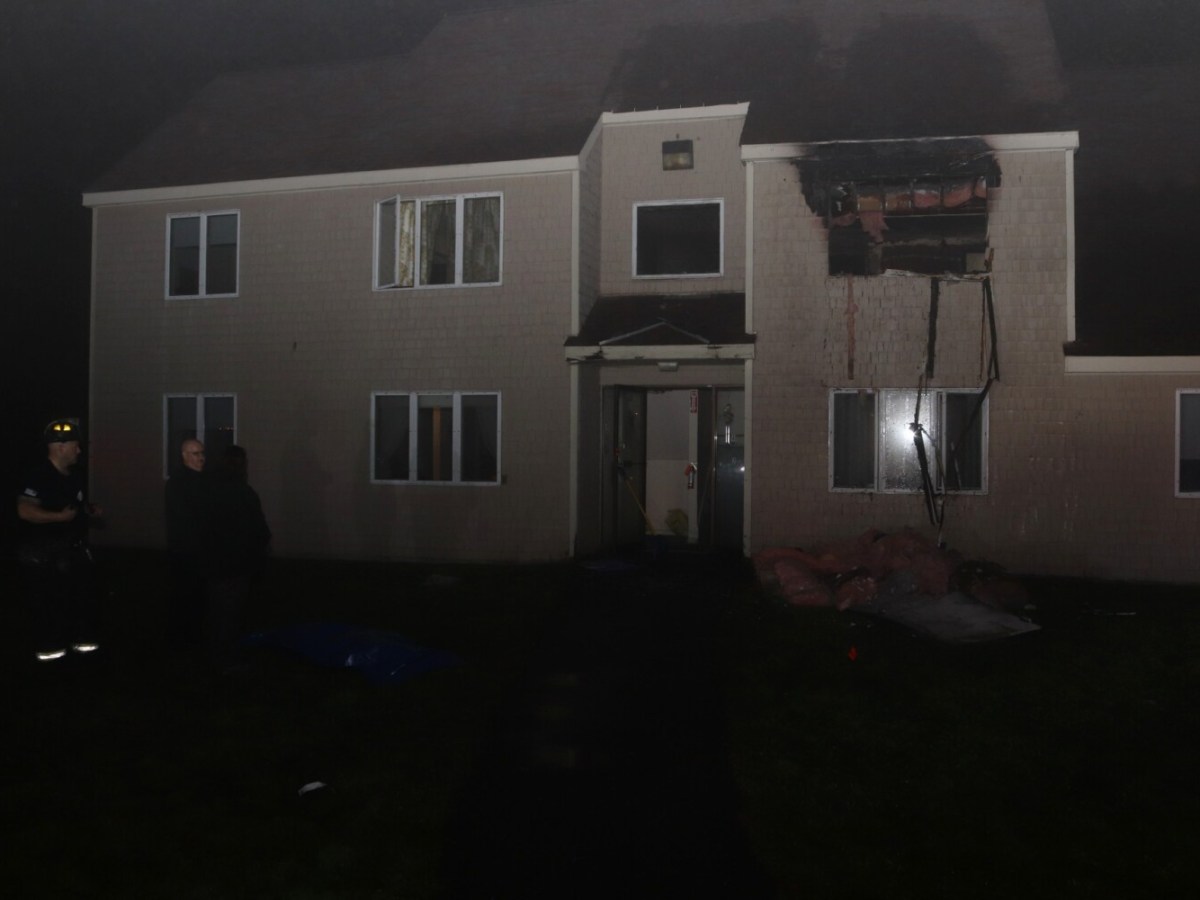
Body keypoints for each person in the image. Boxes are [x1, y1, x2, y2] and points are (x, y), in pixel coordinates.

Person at [15, 418, 103, 663]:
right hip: (44, 556)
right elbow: (25, 510)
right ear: (60, 447)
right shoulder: (39, 475)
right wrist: (59, 517)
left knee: (80, 601)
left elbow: (73, 505)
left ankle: (81, 648)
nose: (79, 450)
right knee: (49, 605)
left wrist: (88, 509)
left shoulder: (74, 476)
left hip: (71, 554)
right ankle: (50, 652)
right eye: (75, 445)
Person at [205, 445, 271, 666]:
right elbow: (260, 531)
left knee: (217, 610)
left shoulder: (211, 492)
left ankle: (217, 654)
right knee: (232, 612)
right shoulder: (245, 493)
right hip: (238, 563)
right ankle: (227, 657)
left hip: (216, 562)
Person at [164, 437, 209, 648]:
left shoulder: (204, 480)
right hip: (185, 551)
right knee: (185, 594)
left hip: (201, 550)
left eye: (202, 453)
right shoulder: (178, 483)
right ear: (184, 456)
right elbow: (187, 517)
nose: (201, 458)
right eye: (196, 454)